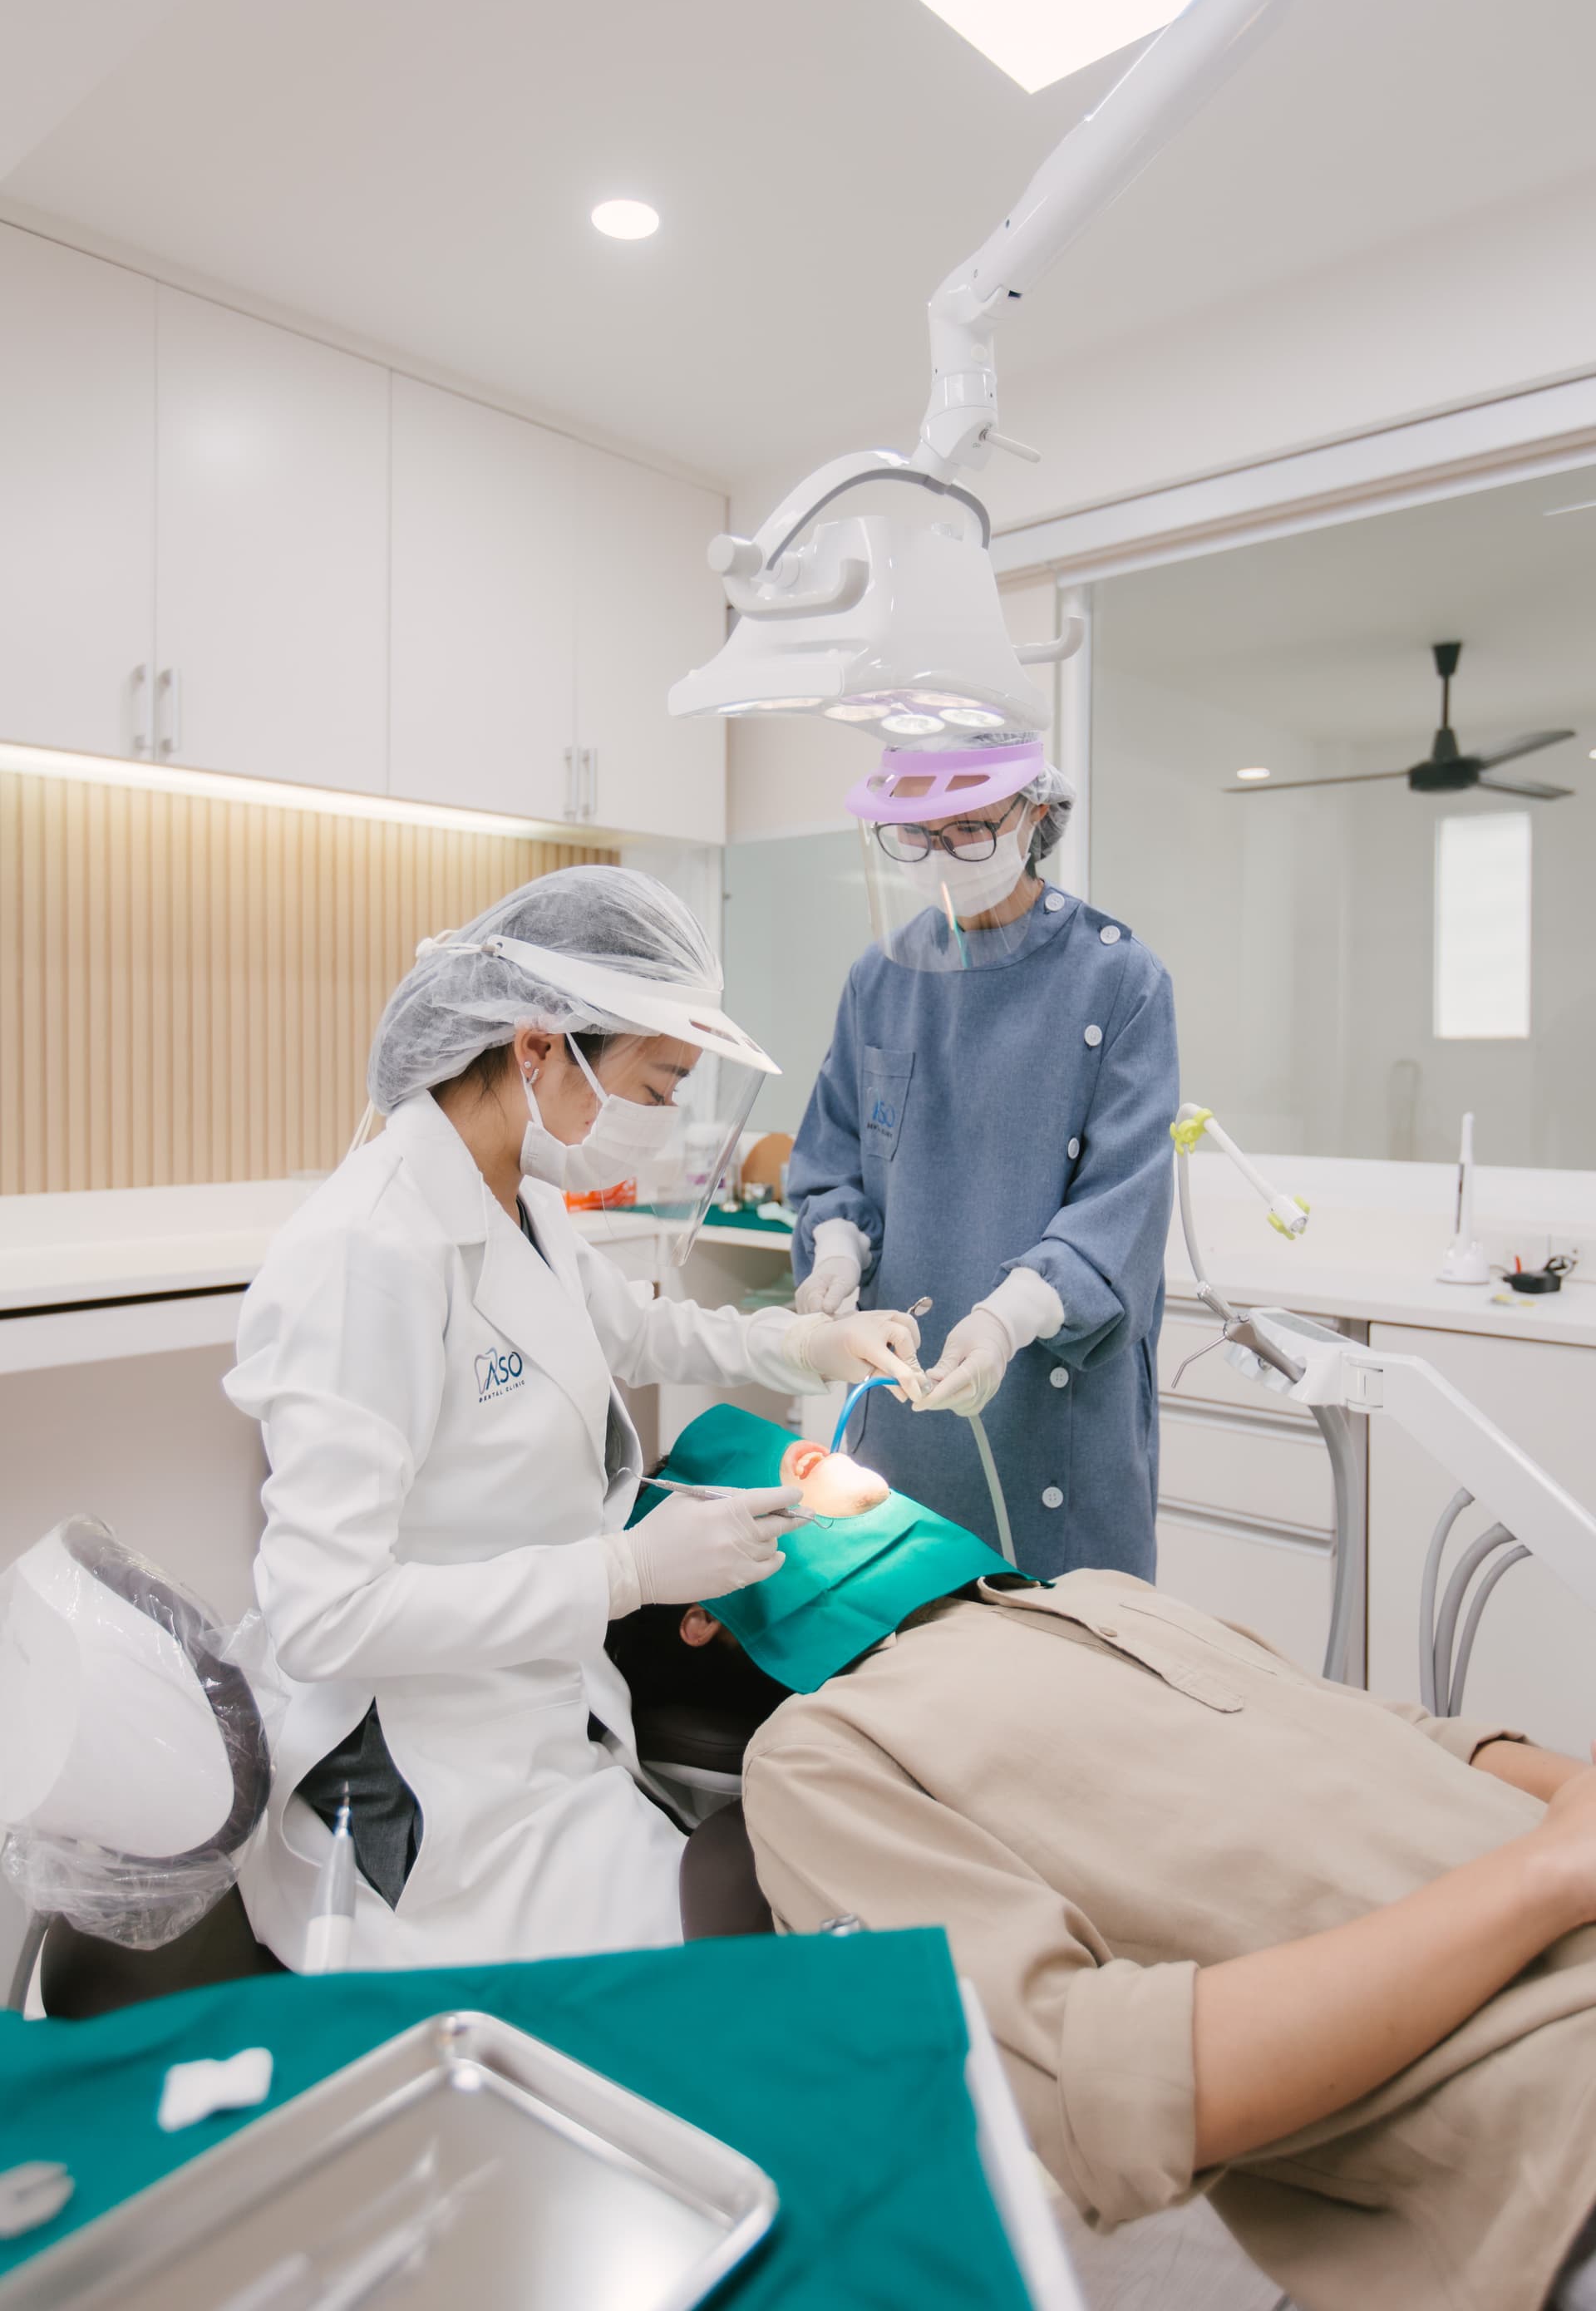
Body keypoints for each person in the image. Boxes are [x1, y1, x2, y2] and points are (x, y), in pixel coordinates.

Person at [606, 1409, 1596, 2311]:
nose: (826, 1465)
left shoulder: (1094, 1596)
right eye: (785, 1477)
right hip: (1559, 2118)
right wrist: (1547, 1879)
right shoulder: (825, 1754)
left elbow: (1403, 1734)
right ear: (702, 1607)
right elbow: (1109, 2088)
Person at [224, 867, 922, 1974]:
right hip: (420, 1787)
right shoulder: (368, 1254)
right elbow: (324, 1617)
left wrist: (804, 1344)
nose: (666, 1120)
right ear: (538, 1048)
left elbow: (635, 1334)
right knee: (710, 1984)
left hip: (539, 1719)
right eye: (656, 1085)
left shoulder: (520, 1199)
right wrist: (627, 1572)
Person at [788, 731, 1177, 1579]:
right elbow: (837, 1152)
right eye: (917, 833)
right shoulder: (880, 977)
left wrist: (1007, 1320)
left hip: (1051, 1415)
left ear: (1035, 814)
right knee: (897, 1627)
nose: (942, 855)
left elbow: (1124, 1203)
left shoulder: (1118, 979)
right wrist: (837, 1247)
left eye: (970, 828)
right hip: (902, 1415)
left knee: (1051, 1648)